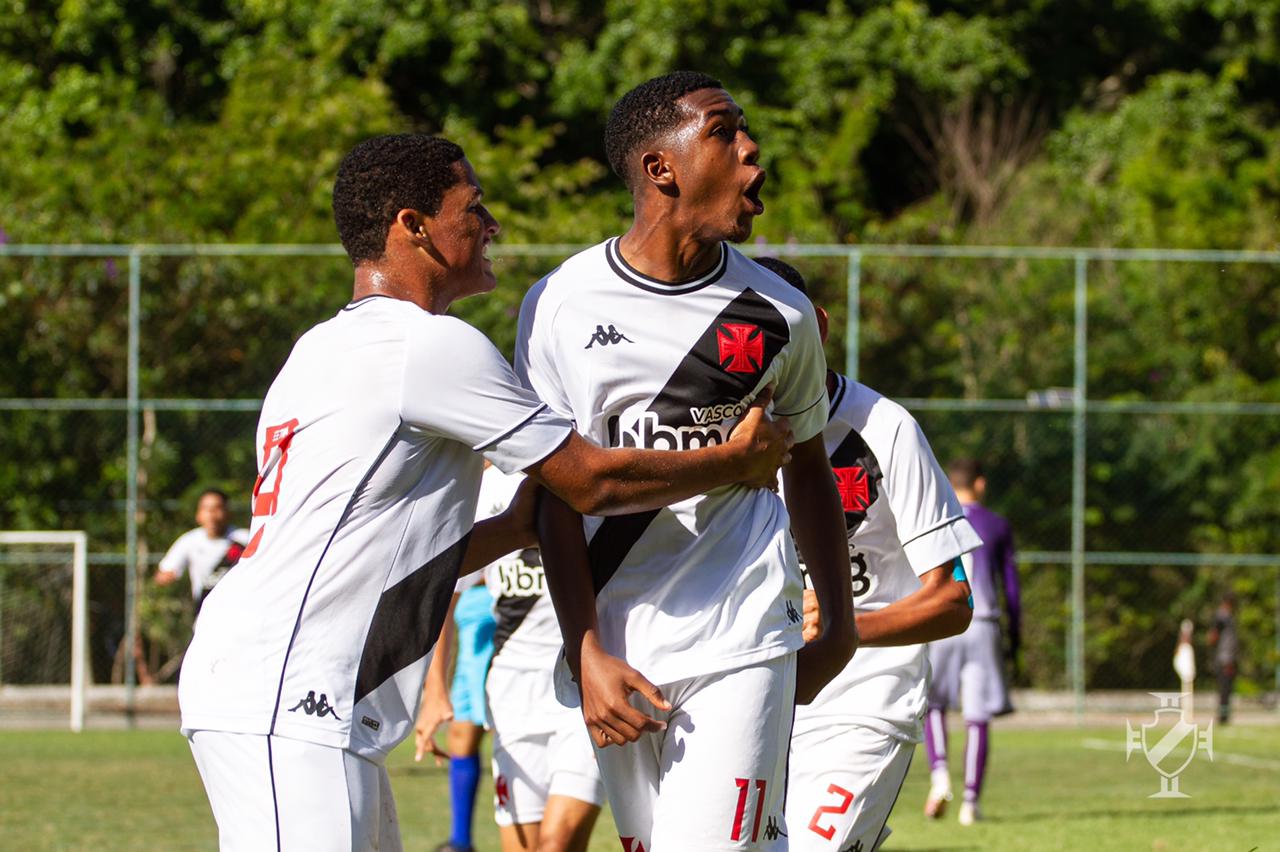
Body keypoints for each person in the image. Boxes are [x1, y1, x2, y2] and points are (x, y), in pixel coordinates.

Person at [177, 133, 795, 851]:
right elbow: (592, 480)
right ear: (414, 226)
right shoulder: (428, 345)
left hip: (279, 688)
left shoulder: (318, 349)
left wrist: (520, 525)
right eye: (473, 207)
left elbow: (381, 554)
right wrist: (735, 459)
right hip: (289, 696)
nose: (492, 224)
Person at [516, 72, 857, 851]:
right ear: (660, 168)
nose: (751, 150)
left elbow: (807, 465)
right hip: (618, 644)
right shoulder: (560, 303)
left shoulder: (781, 313)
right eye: (723, 132)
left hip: (743, 627)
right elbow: (557, 492)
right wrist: (584, 649)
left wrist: (837, 626)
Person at [754, 258, 979, 852]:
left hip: (864, 704)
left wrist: (843, 625)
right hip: (756, 701)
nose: (766, 354)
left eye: (782, 332)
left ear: (818, 328)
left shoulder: (884, 428)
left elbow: (954, 600)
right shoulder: (725, 437)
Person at [420, 464, 605, 852]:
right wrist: (435, 691)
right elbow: (444, 593)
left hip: (581, 690)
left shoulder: (584, 468)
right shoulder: (483, 489)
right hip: (510, 696)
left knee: (556, 845)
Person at [923, 458, 1021, 826]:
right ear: (979, 484)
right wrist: (1015, 636)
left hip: (942, 620)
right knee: (977, 716)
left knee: (934, 704)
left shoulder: (936, 519)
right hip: (983, 624)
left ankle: (939, 778)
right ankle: (970, 802)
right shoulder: (996, 524)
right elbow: (1011, 587)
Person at [416, 564, 497, 852]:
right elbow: (445, 589)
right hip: (470, 620)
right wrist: (434, 690)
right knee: (461, 733)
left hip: (508, 615)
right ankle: (461, 842)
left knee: (510, 731)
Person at [154, 489, 250, 614]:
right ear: (198, 515)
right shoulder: (189, 541)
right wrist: (167, 577)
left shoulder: (245, 539)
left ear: (228, 513)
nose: (211, 515)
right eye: (206, 509)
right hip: (205, 614)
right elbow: (164, 572)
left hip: (240, 612)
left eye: (217, 508)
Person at [1208, 592, 1239, 724]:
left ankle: (1224, 716)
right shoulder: (1222, 617)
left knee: (1226, 688)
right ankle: (1222, 717)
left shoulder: (1227, 616)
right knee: (1224, 688)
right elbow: (1213, 636)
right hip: (1225, 658)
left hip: (1227, 657)